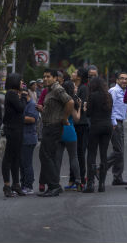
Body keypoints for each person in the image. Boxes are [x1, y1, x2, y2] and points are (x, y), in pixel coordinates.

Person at [38, 69, 74, 197]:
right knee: (47, 156)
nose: (45, 79)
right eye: (44, 76)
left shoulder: (57, 89)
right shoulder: (49, 90)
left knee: (46, 155)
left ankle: (55, 186)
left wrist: (64, 118)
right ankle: (52, 185)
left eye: (48, 76)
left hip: (54, 127)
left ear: (55, 78)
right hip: (48, 126)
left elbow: (70, 102)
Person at [83, 77, 113, 193]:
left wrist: (85, 108)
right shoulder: (108, 96)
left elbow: (89, 113)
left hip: (96, 126)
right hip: (107, 126)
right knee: (103, 154)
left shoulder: (93, 95)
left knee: (91, 154)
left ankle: (90, 184)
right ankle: (102, 184)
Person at [2, 73, 27, 197]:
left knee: (16, 157)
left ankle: (16, 184)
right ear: (15, 82)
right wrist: (23, 97)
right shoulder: (11, 94)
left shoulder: (13, 94)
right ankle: (7, 185)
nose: (23, 83)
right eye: (21, 81)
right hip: (13, 130)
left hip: (17, 129)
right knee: (9, 157)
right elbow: (21, 108)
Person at [56, 81, 82, 192]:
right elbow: (76, 118)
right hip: (70, 130)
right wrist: (80, 107)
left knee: (58, 158)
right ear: (71, 89)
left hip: (59, 131)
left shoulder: (58, 101)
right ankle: (78, 181)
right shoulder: (71, 102)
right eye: (74, 86)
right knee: (73, 157)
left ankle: (56, 182)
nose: (76, 88)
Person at [107, 72, 127, 185]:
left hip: (120, 122)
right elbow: (109, 107)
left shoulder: (125, 92)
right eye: (122, 78)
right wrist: (113, 122)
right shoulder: (114, 91)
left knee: (119, 151)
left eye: (126, 79)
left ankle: (117, 177)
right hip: (115, 123)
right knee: (119, 151)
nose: (124, 81)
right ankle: (100, 168)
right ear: (117, 80)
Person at [71, 67, 89, 190]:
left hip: (82, 123)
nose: (72, 73)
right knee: (76, 152)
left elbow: (81, 105)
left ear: (79, 76)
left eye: (75, 72)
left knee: (80, 152)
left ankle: (82, 178)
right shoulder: (77, 88)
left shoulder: (83, 88)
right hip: (77, 123)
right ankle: (75, 178)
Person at [20, 89, 39, 195]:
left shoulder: (31, 104)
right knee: (22, 163)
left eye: (23, 95)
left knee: (27, 163)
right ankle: (23, 184)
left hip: (29, 138)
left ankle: (29, 185)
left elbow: (32, 119)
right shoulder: (23, 104)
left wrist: (19, 118)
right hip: (22, 137)